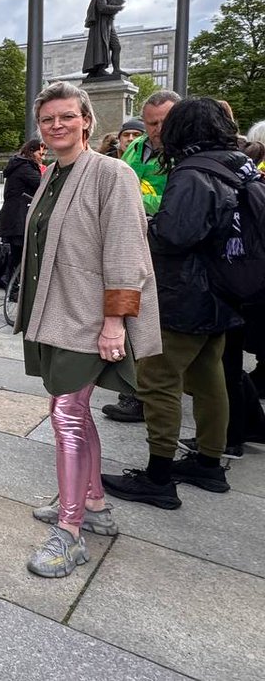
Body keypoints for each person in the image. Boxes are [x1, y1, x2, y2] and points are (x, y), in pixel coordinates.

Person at [16, 82, 160, 577]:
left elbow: (126, 252)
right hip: (58, 315)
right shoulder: (53, 173)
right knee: (72, 410)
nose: (56, 125)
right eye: (47, 119)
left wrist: (115, 322)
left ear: (86, 121)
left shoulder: (111, 173)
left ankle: (70, 532)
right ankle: (94, 504)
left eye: (65, 117)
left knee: (66, 415)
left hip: (89, 316)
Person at [103, 97, 250, 509]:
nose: (159, 134)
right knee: (209, 380)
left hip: (184, 293)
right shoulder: (236, 163)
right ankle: (208, 462)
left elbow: (173, 236)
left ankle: (158, 475)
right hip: (223, 289)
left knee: (158, 380)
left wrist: (146, 226)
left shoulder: (192, 172)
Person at [105, 90, 181, 424]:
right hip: (130, 234)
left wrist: (137, 198)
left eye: (162, 122)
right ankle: (132, 390)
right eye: (150, 123)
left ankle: (143, 395)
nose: (155, 130)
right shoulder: (137, 149)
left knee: (149, 321)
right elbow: (118, 185)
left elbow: (169, 199)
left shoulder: (182, 154)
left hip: (160, 241)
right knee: (131, 314)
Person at [0, 138, 45, 299]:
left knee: (16, 255)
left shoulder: (19, 165)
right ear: (32, 152)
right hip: (19, 217)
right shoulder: (25, 167)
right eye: (40, 153)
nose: (42, 157)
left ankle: (12, 286)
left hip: (14, 217)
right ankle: (15, 288)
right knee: (20, 255)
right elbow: (42, 186)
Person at [122, 90, 179, 216]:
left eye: (165, 122)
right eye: (153, 123)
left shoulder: (187, 152)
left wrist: (131, 201)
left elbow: (178, 201)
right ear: (143, 122)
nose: (159, 129)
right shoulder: (134, 146)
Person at [82, 0, 124, 77]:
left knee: (116, 47)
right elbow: (102, 7)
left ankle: (116, 70)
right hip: (101, 25)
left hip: (109, 24)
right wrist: (117, 7)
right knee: (102, 46)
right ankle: (99, 69)